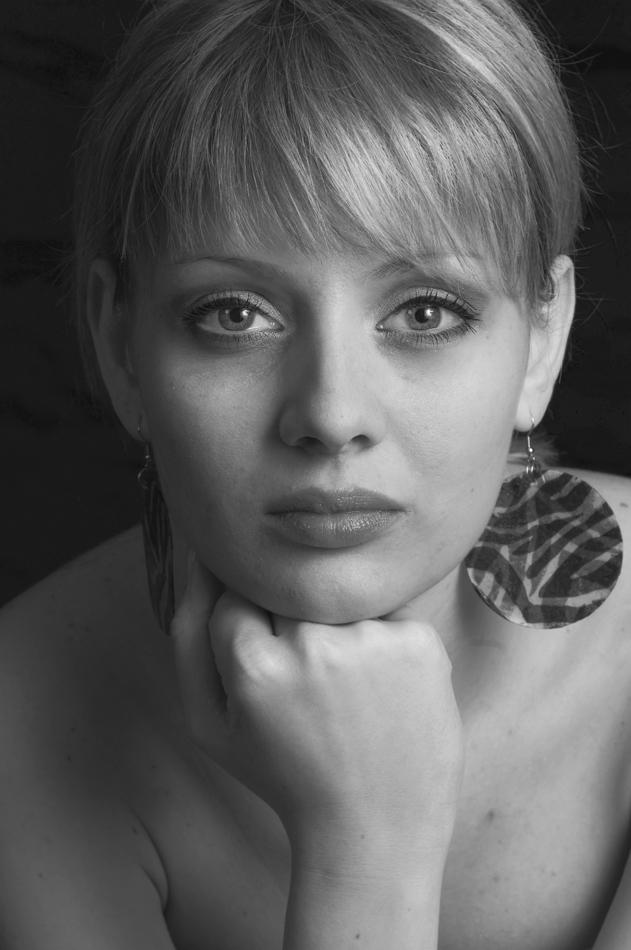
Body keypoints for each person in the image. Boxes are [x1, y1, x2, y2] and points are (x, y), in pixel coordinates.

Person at [0, 0, 629, 947]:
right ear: (120, 346)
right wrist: (365, 847)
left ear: (542, 337)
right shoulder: (24, 708)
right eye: (235, 314)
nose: (331, 415)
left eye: (425, 312)